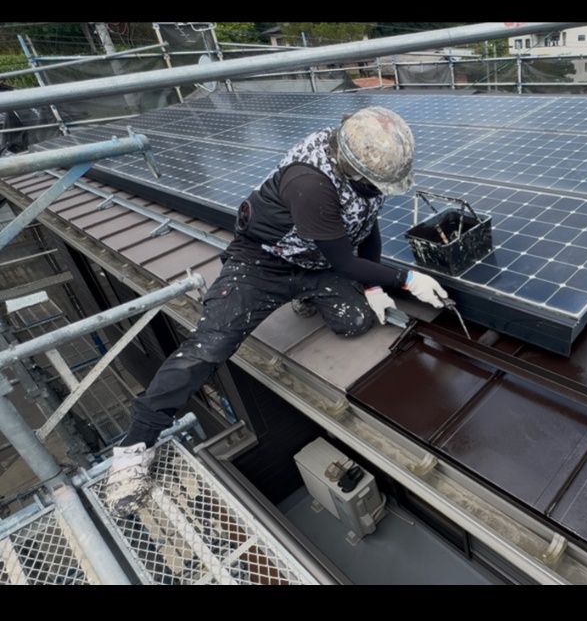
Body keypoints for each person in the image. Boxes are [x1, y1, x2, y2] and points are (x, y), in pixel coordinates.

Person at [104, 106, 448, 516]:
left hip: (315, 260)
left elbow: (366, 226)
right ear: (350, 167)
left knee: (356, 321)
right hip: (263, 262)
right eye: (374, 185)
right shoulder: (312, 183)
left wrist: (373, 284)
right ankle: (133, 446)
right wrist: (406, 280)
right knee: (210, 347)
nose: (377, 191)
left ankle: (306, 295)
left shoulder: (363, 165)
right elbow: (344, 261)